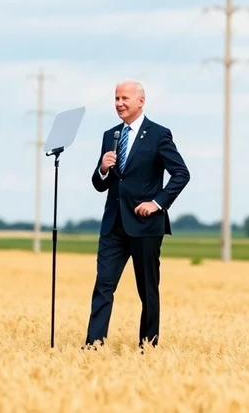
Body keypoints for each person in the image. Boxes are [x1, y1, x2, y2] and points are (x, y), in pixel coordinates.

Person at [83, 80, 190, 350]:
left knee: (147, 291)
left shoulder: (159, 134)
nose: (119, 103)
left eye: (124, 98)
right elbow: (100, 184)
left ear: (140, 101)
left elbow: (181, 173)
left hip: (145, 225)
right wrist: (103, 169)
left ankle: (148, 346)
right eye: (116, 98)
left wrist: (158, 202)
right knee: (103, 287)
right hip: (113, 226)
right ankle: (94, 344)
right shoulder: (110, 135)